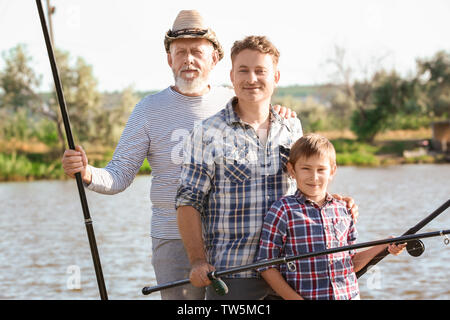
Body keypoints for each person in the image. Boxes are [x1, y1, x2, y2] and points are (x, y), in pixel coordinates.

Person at [60, 10, 296, 300]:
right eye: (180, 52)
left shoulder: (235, 99)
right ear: (169, 59)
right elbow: (119, 175)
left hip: (234, 243)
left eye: (197, 51)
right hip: (173, 239)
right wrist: (86, 172)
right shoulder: (149, 109)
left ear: (215, 59)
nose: (188, 59)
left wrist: (282, 113)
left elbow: (272, 136)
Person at [176, 36, 359, 300]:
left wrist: (335, 203)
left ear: (276, 77)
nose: (252, 78)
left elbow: (306, 183)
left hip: (293, 275)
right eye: (244, 70)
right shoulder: (206, 133)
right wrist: (197, 261)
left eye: (260, 71)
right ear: (231, 75)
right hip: (235, 276)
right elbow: (188, 201)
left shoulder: (291, 127)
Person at [257, 133, 406, 300]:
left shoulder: (343, 209)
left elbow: (350, 263)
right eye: (306, 168)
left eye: (321, 169)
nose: (314, 177)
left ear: (332, 171)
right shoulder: (282, 210)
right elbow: (266, 265)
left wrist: (384, 244)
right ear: (292, 170)